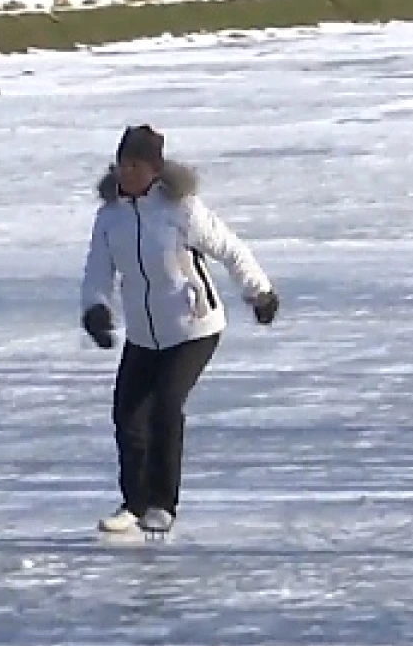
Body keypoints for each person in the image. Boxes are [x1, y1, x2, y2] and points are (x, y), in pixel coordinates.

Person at [79, 124, 279, 537]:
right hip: (143, 333)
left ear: (155, 168)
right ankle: (133, 503)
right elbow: (98, 270)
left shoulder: (181, 209)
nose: (127, 172)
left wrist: (259, 293)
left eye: (136, 164)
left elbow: (230, 249)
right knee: (127, 414)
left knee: (167, 407)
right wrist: (95, 309)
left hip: (194, 327)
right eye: (122, 163)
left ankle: (162, 504)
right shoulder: (109, 217)